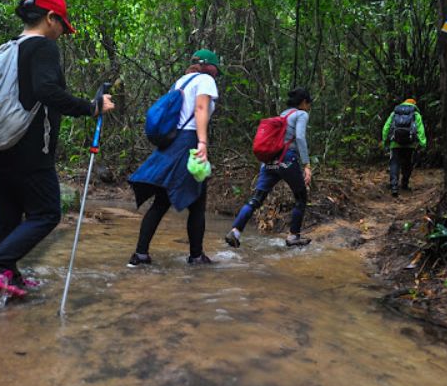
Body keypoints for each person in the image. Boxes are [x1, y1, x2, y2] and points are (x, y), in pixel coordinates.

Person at [0, 0, 115, 296]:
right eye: (62, 24)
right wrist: (91, 107)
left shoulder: (8, 48)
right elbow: (47, 91)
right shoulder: (43, 48)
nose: (62, 32)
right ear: (50, 18)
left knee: (8, 214)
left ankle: (9, 275)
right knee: (47, 212)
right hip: (30, 148)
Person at [127, 49, 221, 267]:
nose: (217, 74)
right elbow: (200, 108)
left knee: (161, 201)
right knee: (197, 202)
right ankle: (196, 256)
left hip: (171, 143)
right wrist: (202, 143)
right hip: (188, 142)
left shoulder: (181, 81)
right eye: (216, 69)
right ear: (209, 66)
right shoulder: (205, 80)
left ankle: (140, 255)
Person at [225, 88, 313, 248]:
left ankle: (235, 231)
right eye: (308, 104)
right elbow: (300, 137)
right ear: (304, 102)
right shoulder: (301, 114)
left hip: (268, 161)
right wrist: (306, 164)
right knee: (301, 197)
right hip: (286, 160)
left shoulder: (282, 116)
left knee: (256, 198)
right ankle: (293, 236)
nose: (309, 107)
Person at [382, 98, 426, 197]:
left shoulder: (394, 114)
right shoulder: (415, 115)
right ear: (414, 105)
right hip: (409, 144)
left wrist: (385, 141)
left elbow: (386, 127)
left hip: (395, 143)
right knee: (407, 163)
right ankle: (405, 184)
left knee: (394, 163)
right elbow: (420, 129)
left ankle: (394, 186)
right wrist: (423, 143)